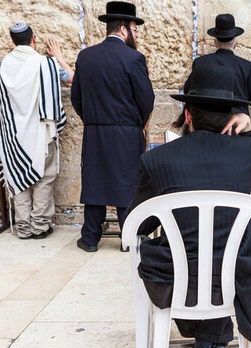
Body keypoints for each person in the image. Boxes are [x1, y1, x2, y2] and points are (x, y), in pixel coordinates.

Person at [126, 64, 251, 348]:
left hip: (176, 283)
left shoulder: (157, 160)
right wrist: (248, 130)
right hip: (237, 280)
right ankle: (210, 339)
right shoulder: (246, 154)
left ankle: (205, 341)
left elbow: (138, 225)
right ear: (230, 117)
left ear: (188, 115)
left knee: (179, 253)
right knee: (231, 246)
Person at [71, 1, 154, 252]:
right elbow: (146, 99)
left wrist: (94, 120)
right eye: (135, 29)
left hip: (95, 132)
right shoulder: (134, 58)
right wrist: (134, 124)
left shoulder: (85, 56)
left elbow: (77, 97)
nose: (137, 34)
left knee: (95, 181)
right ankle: (127, 239)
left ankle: (90, 239)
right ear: (124, 29)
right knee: (127, 183)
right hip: (126, 133)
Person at [0, 22, 69, 239]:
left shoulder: (2, 65)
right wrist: (58, 57)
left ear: (13, 42)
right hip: (41, 132)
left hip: (13, 135)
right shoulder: (45, 64)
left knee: (18, 176)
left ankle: (23, 227)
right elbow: (72, 78)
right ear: (33, 39)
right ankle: (40, 226)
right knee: (45, 177)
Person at [183, 13, 251, 116]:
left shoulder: (200, 62)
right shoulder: (247, 67)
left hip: (206, 123)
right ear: (236, 44)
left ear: (214, 42)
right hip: (237, 126)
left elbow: (187, 91)